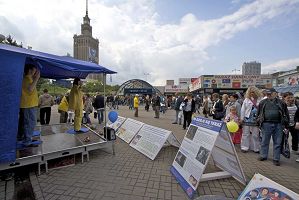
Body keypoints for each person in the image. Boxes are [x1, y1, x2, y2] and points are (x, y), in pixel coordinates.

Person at [257, 88, 289, 166]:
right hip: (266, 124)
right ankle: (263, 156)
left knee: (277, 142)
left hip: (279, 125)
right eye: (267, 94)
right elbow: (259, 114)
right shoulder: (262, 102)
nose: (268, 95)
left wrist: (286, 125)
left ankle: (276, 159)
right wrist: (258, 123)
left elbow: (286, 114)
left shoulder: (282, 103)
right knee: (264, 141)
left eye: (270, 94)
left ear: (275, 94)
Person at [18, 64, 40, 147]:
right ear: (30, 70)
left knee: (27, 122)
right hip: (28, 105)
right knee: (30, 123)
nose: (36, 72)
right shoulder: (26, 79)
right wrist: (37, 78)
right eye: (34, 70)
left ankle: (27, 138)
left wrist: (35, 79)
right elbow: (30, 89)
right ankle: (27, 141)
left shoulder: (28, 78)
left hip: (29, 104)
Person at [240, 86, 262, 153]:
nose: (252, 93)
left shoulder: (260, 99)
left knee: (255, 134)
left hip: (256, 119)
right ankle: (244, 147)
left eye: (253, 92)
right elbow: (243, 109)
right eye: (250, 92)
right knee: (245, 134)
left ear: (256, 92)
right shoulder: (246, 100)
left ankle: (256, 148)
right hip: (247, 119)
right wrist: (241, 118)